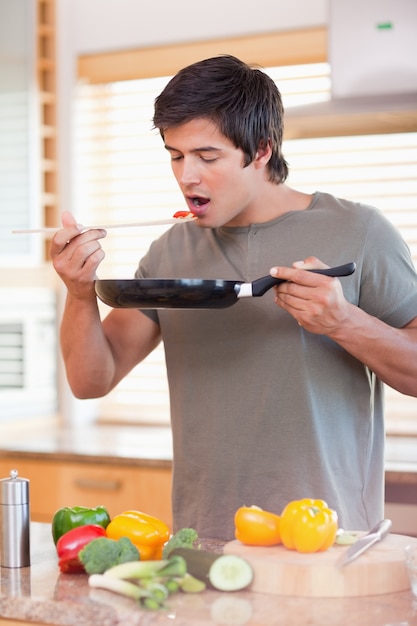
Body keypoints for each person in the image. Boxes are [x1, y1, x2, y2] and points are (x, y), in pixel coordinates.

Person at [51, 55, 417, 541]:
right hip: (205, 540)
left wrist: (344, 323)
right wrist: (79, 296)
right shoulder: (170, 250)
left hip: (329, 540)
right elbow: (91, 381)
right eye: (175, 155)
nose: (187, 177)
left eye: (207, 156)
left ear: (261, 150)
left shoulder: (361, 231)